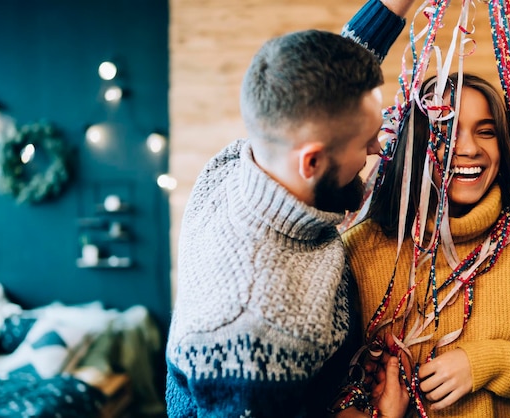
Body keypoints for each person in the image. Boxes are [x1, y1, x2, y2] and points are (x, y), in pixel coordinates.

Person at [165, 0, 416, 417]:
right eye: (368, 140)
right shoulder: (253, 336)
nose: (378, 148)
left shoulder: (239, 163)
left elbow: (328, 83)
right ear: (312, 161)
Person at [342, 71, 510, 417]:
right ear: (416, 144)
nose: (468, 148)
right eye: (445, 132)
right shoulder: (361, 248)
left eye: (486, 131)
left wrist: (482, 363)